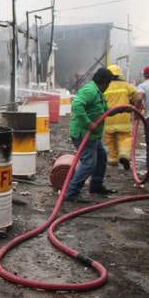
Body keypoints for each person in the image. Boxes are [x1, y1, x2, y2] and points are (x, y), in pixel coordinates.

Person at [65, 67, 116, 200]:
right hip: (83, 134)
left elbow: (105, 111)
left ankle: (96, 185)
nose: (108, 86)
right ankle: (71, 193)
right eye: (109, 83)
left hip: (93, 136)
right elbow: (76, 105)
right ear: (104, 82)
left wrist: (124, 109)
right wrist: (88, 123)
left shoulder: (98, 92)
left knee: (102, 156)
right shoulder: (90, 91)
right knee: (89, 163)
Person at [103, 64, 138, 171]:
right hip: (123, 117)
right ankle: (124, 154)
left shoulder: (105, 86)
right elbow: (136, 94)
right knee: (125, 138)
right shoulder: (126, 85)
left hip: (109, 118)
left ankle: (113, 159)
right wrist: (133, 102)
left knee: (110, 139)